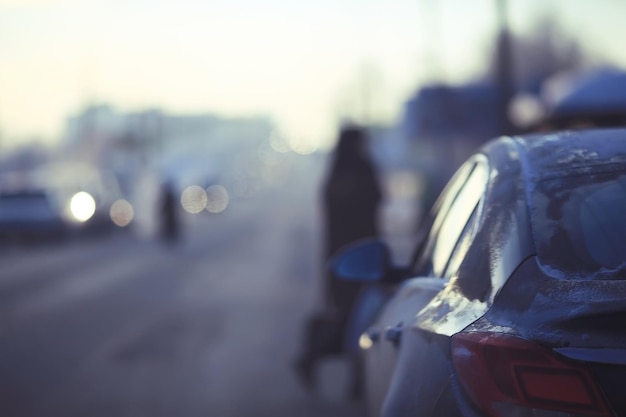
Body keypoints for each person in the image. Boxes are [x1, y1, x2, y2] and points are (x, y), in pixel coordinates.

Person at [294, 124, 382, 399]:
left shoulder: (334, 174)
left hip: (340, 258)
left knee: (355, 317)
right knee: (361, 319)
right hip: (363, 257)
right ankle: (348, 377)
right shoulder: (362, 170)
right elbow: (378, 200)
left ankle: (323, 364)